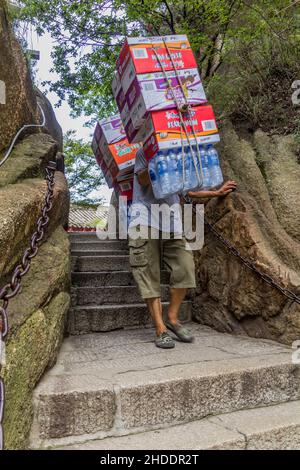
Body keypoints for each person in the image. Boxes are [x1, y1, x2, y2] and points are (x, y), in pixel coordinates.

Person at [128, 147, 237, 349]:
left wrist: (216, 192)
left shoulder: (179, 153)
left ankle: (172, 318)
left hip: (173, 223)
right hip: (144, 219)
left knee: (185, 268)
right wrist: (157, 157)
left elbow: (187, 189)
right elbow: (143, 180)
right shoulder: (145, 152)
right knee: (148, 273)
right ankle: (160, 328)